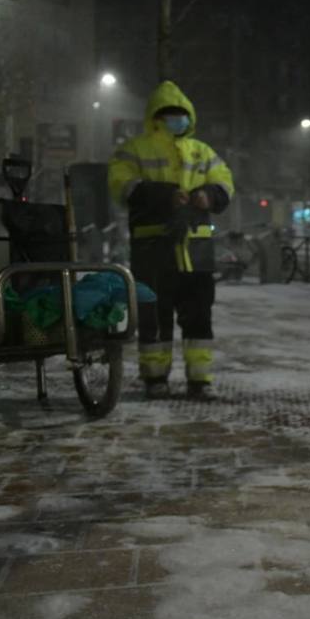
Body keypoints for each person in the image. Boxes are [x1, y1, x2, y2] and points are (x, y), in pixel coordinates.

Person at [108, 80, 234, 399]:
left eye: (182, 115)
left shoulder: (202, 152)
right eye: (170, 115)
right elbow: (121, 185)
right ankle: (155, 379)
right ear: (156, 117)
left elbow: (225, 183)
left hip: (197, 252)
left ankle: (199, 380)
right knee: (154, 320)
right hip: (154, 251)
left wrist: (208, 195)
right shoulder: (134, 149)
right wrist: (165, 196)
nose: (177, 120)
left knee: (199, 319)